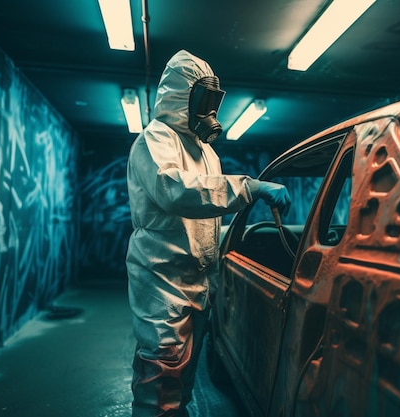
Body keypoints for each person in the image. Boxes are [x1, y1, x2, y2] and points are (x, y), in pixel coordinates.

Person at [125, 49, 291, 417]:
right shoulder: (155, 138)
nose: (209, 109)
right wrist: (250, 188)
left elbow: (205, 220)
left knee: (182, 379)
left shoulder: (207, 153)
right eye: (203, 99)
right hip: (161, 277)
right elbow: (177, 189)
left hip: (197, 281)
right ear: (180, 96)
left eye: (214, 100)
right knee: (160, 375)